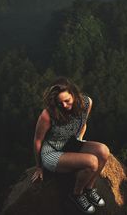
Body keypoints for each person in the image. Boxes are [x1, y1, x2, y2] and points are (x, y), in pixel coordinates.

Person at [31, 77, 110, 214]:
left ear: (73, 93)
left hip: (71, 143)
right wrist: (39, 167)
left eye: (67, 101)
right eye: (60, 103)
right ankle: (77, 195)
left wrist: (79, 139)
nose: (65, 106)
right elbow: (38, 140)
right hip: (52, 152)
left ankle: (89, 189)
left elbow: (83, 122)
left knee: (103, 151)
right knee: (92, 162)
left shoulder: (86, 102)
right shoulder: (47, 114)